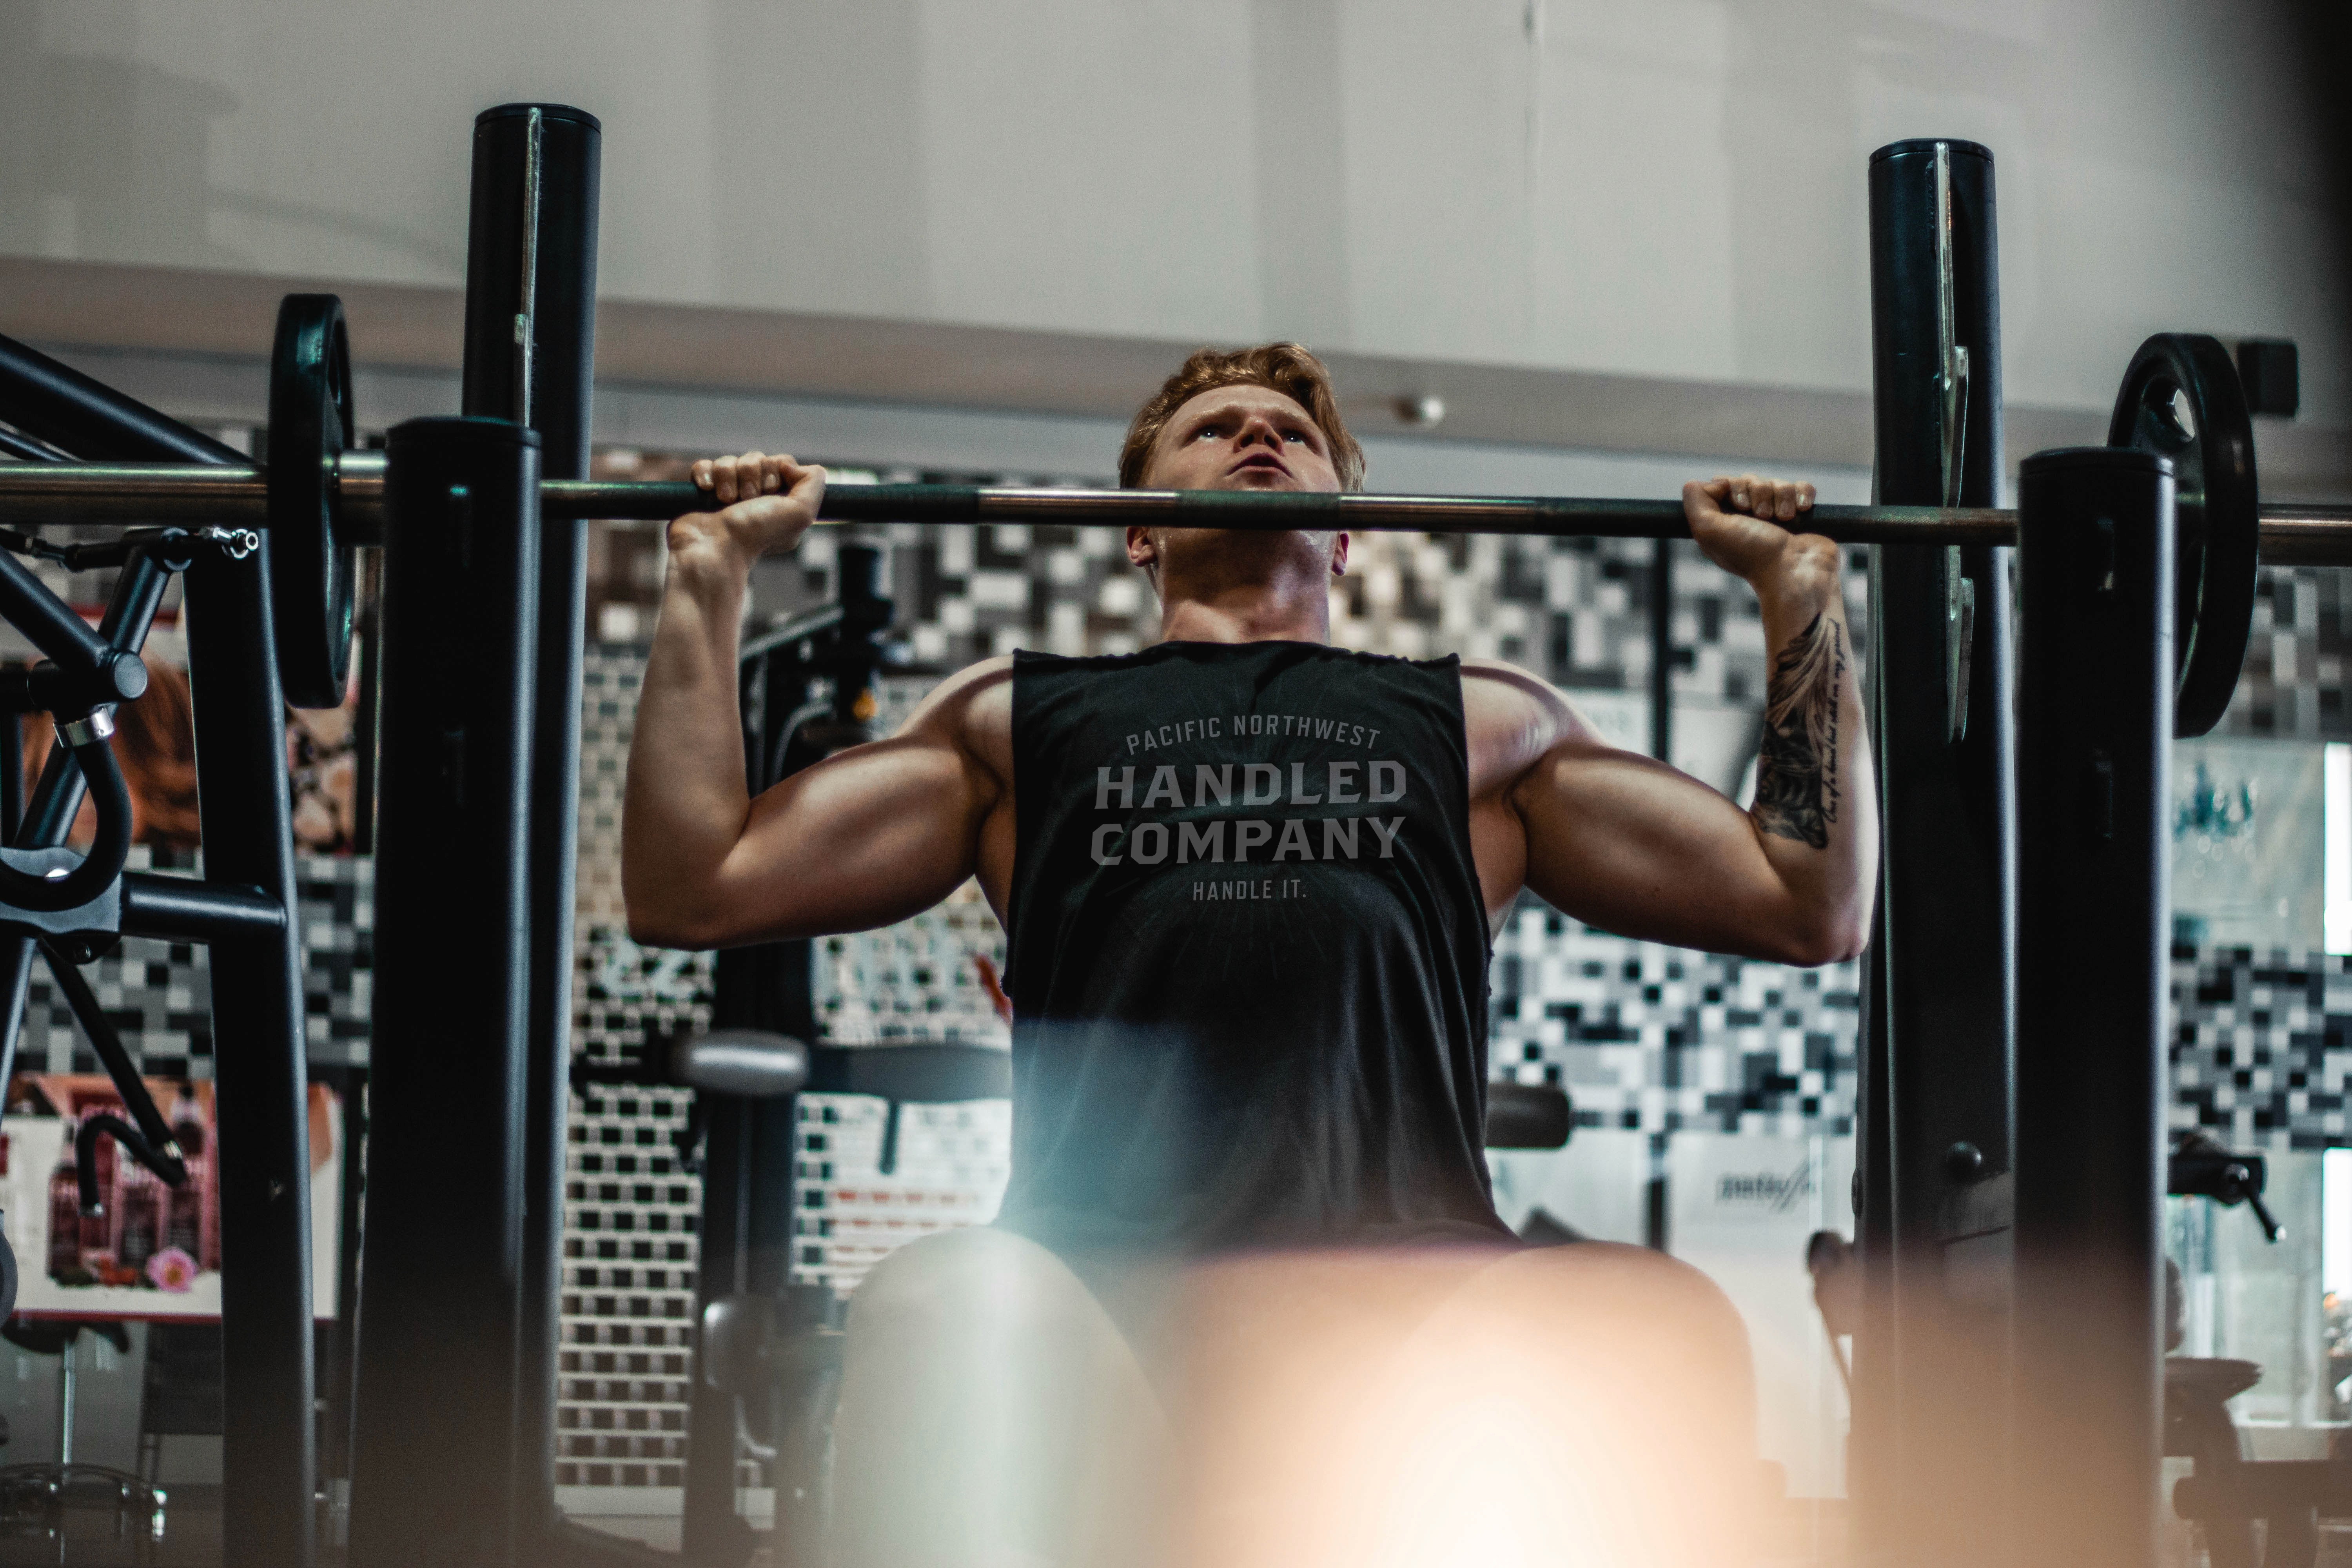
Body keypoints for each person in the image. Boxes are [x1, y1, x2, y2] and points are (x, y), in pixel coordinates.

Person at [624, 343, 1877, 1566]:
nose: (1259, 436)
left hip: (1415, 1265)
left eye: (1292, 433)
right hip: (1093, 1267)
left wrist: (1798, 591)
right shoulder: (1017, 721)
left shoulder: (1477, 726)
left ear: (1345, 535)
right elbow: (694, 885)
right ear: (1140, 530)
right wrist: (709, 578)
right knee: (934, 1302)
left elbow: (1805, 901)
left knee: (1660, 1322)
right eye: (1213, 429)